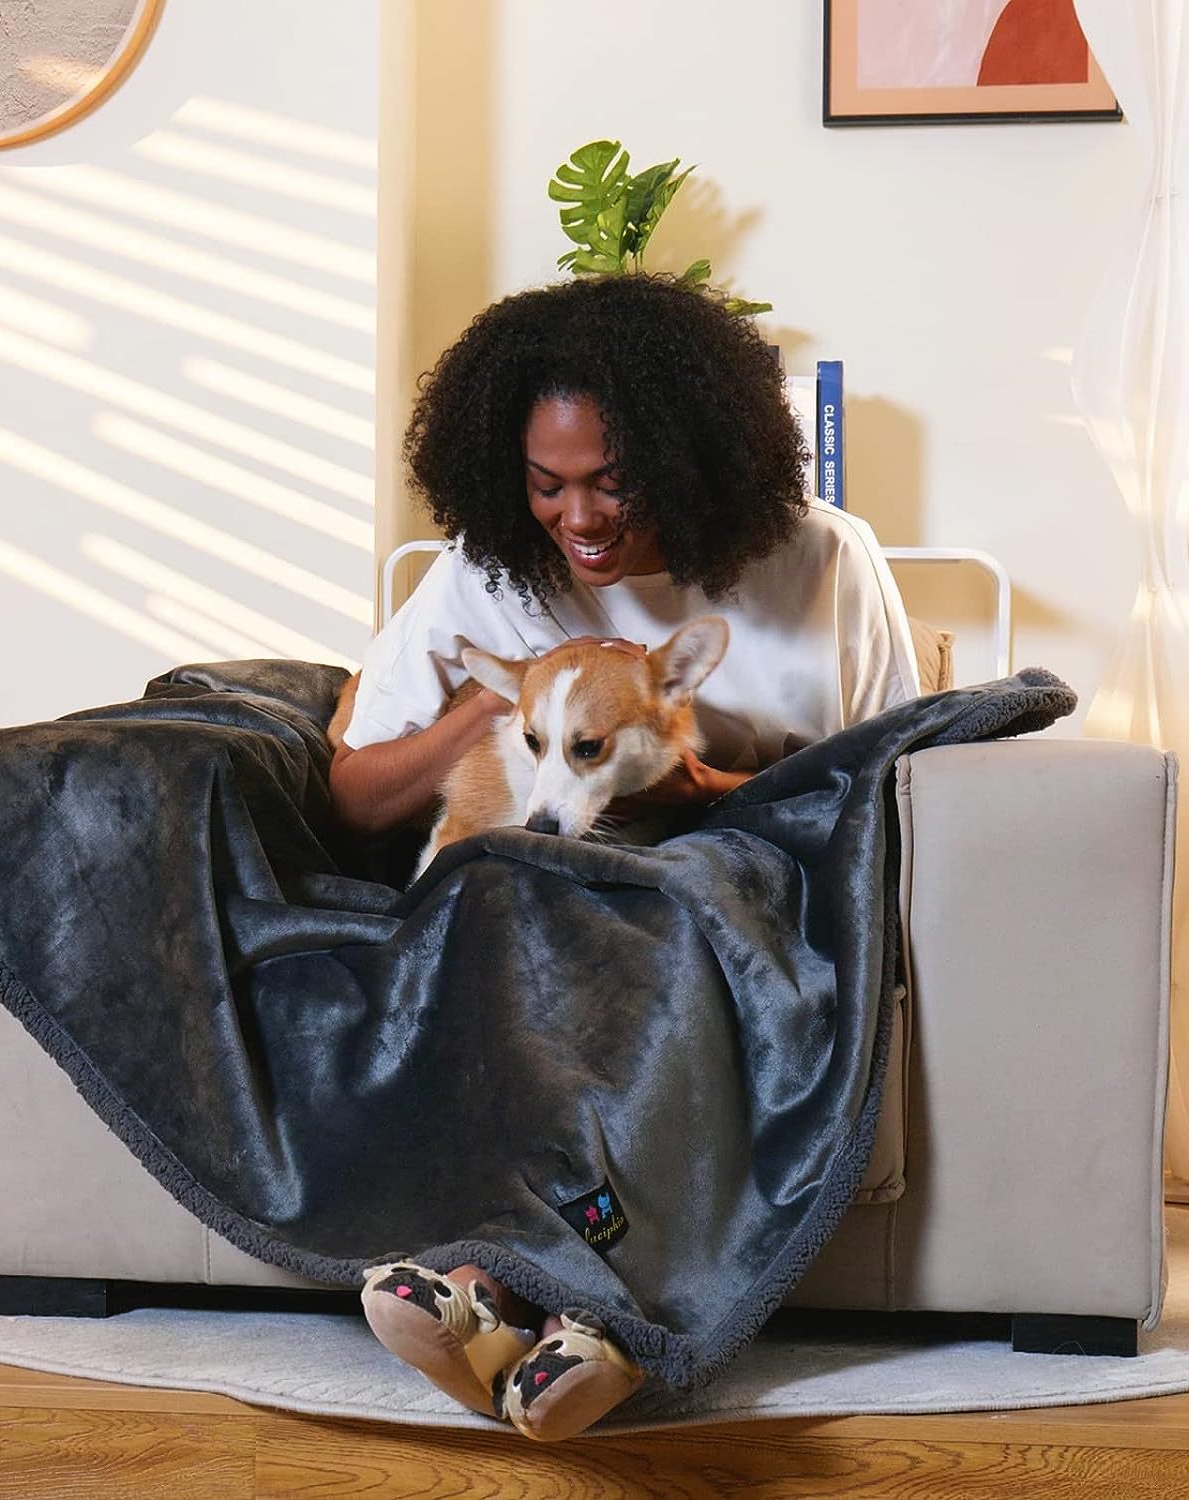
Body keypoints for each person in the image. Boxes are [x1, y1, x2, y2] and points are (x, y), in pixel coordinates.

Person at [330, 272, 920, 1441]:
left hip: (738, 904)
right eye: (545, 484)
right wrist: (496, 703)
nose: (580, 518)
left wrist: (698, 790)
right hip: (549, 918)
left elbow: (894, 796)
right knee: (511, 929)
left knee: (663, 968)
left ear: (692, 457)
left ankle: (547, 1308)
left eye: (613, 481)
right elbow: (355, 797)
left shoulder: (822, 563)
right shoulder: (487, 574)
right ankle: (542, 1314)